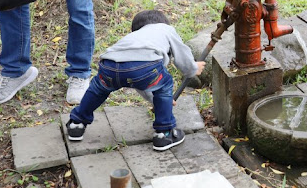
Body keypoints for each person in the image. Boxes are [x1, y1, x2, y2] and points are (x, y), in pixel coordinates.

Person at [66, 10, 205, 151]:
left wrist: (159, 101)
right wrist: (193, 69)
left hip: (109, 64)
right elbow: (182, 55)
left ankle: (76, 124)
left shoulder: (132, 37)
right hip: (145, 69)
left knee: (97, 90)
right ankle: (164, 133)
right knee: (165, 84)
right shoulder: (165, 29)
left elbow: (140, 82)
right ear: (163, 22)